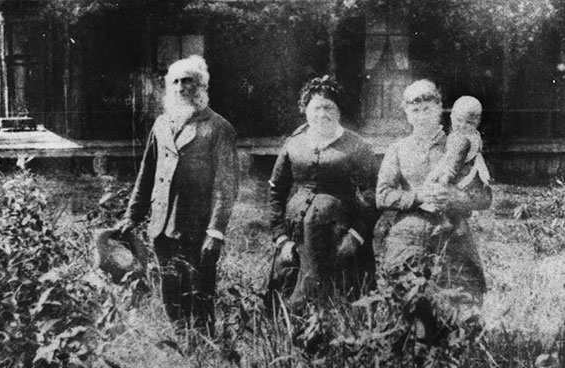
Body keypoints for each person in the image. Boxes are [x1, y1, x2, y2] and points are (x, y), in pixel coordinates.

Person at [119, 55, 239, 334]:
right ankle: (179, 343)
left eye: (188, 81)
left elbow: (226, 186)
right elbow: (146, 174)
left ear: (202, 86)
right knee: (169, 289)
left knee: (199, 291)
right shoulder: (161, 125)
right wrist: (131, 216)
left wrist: (216, 232)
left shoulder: (219, 128)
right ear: (169, 88)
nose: (182, 87)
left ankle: (205, 347)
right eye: (175, 82)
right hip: (162, 225)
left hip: (197, 228)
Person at [267, 75, 380, 309]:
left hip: (338, 236)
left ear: (338, 110)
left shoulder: (356, 145)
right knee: (292, 295)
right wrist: (281, 237)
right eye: (316, 107)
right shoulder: (293, 144)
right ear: (306, 110)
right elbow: (276, 191)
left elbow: (372, 193)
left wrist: (356, 235)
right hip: (296, 235)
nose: (322, 114)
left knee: (337, 298)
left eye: (328, 107)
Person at [376, 79, 492, 304]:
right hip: (409, 231)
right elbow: (382, 195)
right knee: (406, 298)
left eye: (427, 109)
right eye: (415, 110)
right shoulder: (398, 149)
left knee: (460, 301)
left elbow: (485, 197)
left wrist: (456, 198)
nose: (421, 116)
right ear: (407, 113)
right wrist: (416, 197)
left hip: (453, 233)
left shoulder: (461, 144)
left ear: (440, 108)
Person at [420, 95, 491, 234]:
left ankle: (443, 220)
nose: (462, 125)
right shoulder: (474, 135)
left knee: (437, 191)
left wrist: (443, 179)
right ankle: (458, 223)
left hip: (458, 177)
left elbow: (452, 163)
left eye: (469, 122)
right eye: (459, 120)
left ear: (478, 122)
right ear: (452, 117)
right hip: (470, 179)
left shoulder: (461, 139)